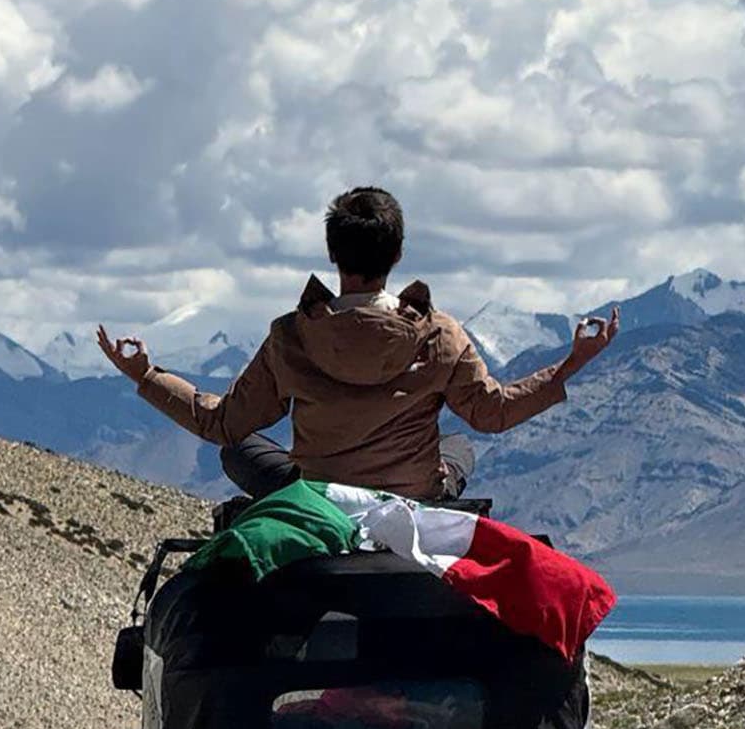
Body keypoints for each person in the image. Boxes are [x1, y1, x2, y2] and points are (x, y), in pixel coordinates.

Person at [97, 186, 620, 503]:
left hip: (319, 495)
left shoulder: (291, 336)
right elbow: (494, 413)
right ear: (398, 253)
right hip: (413, 495)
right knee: (460, 446)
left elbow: (222, 423)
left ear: (332, 253)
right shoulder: (440, 335)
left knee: (239, 449)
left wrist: (146, 375)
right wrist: (569, 364)